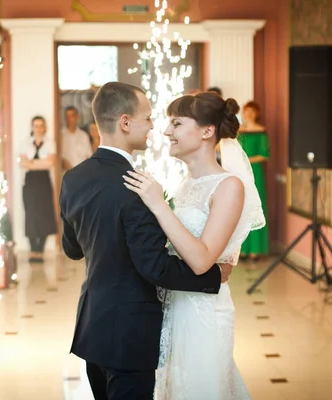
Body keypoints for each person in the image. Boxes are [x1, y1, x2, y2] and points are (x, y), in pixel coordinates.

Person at [59, 82, 233, 400]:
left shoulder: (73, 178)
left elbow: (71, 249)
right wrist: (213, 277)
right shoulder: (137, 186)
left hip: (92, 327)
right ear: (125, 122)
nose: (155, 126)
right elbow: (154, 267)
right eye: (148, 118)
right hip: (129, 334)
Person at [124, 92, 265, 399]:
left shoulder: (229, 186)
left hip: (203, 312)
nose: (165, 131)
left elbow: (202, 261)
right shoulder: (185, 184)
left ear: (206, 131)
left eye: (176, 123)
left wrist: (158, 205)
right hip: (174, 305)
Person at [18, 116, 58, 263]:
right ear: (32, 127)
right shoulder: (25, 143)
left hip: (44, 182)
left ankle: (40, 249)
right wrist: (41, 162)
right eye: (36, 126)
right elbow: (23, 163)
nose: (39, 129)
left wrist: (32, 163)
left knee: (44, 214)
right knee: (30, 214)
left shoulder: (50, 143)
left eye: (41, 126)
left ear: (45, 127)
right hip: (29, 183)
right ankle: (32, 249)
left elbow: (50, 163)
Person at [237, 100, 270, 261]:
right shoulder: (238, 132)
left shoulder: (261, 131)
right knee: (240, 209)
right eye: (246, 111)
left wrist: (247, 160)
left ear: (256, 113)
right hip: (240, 172)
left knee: (255, 207)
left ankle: (256, 250)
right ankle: (242, 249)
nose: (248, 114)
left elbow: (264, 154)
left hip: (255, 172)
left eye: (251, 111)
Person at [61, 106, 92, 171]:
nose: (69, 119)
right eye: (67, 116)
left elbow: (88, 156)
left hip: (83, 172)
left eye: (71, 116)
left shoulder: (84, 135)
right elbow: (61, 158)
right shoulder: (61, 135)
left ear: (77, 117)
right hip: (67, 173)